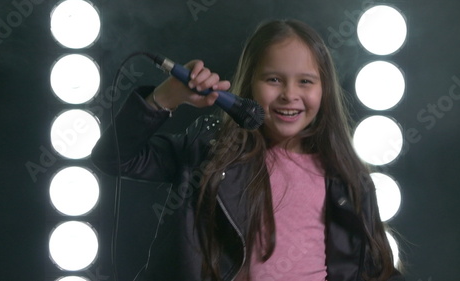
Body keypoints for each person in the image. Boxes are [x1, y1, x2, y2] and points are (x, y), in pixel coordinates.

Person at [91, 19, 404, 281]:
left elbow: (375, 267)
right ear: (250, 84)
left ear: (325, 90)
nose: (289, 94)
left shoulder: (345, 174)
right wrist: (166, 97)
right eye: (273, 80)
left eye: (306, 81)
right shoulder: (210, 152)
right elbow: (115, 157)